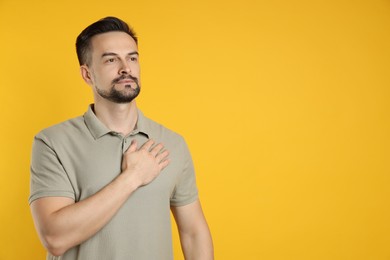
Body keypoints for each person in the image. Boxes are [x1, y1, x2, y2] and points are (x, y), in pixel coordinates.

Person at [29, 16, 213, 260]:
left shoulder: (172, 143)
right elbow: (55, 238)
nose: (126, 67)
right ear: (87, 75)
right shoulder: (53, 142)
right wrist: (132, 177)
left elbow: (192, 232)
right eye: (111, 59)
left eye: (132, 57)